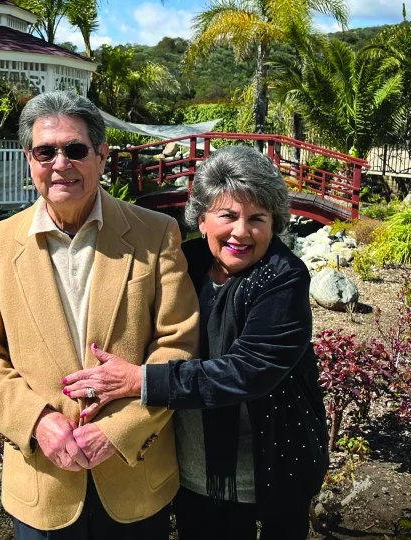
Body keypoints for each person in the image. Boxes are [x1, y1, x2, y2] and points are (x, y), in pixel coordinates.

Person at [0, 91, 199, 539]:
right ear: (30, 160)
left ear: (102, 156)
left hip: (135, 478)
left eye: (76, 149)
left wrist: (120, 430)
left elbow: (178, 344)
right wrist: (38, 421)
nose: (60, 163)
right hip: (43, 485)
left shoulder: (156, 233)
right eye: (46, 152)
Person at [62, 145, 329, 540]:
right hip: (190, 472)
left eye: (257, 218)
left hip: (265, 473)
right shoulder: (183, 264)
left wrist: (142, 381)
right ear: (201, 220)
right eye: (228, 215)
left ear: (274, 225)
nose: (241, 231)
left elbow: (247, 370)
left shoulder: (282, 277)